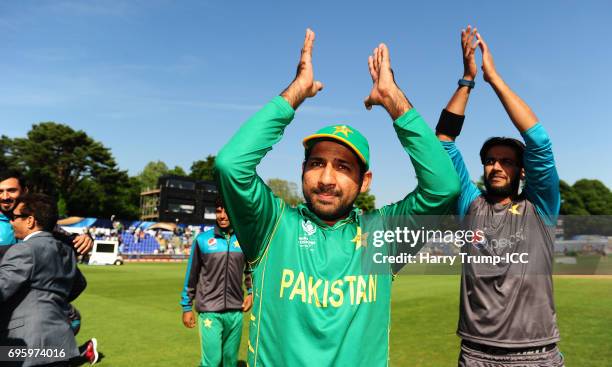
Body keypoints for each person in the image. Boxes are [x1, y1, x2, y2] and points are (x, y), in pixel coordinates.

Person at [215, 29, 460, 366]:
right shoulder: (271, 226)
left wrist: (394, 102)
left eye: (343, 167)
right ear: (302, 171)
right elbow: (230, 165)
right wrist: (295, 94)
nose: (327, 179)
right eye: (317, 163)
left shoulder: (382, 237)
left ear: (365, 181)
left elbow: (444, 187)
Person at [435, 26, 563, 366]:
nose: (496, 167)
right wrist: (467, 80)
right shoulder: (469, 205)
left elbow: (539, 143)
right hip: (476, 354)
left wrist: (494, 80)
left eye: (506, 161)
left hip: (537, 355)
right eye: (490, 160)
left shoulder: (541, 207)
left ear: (522, 171)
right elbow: (443, 142)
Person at [0, 171, 99, 365]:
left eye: (11, 190)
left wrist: (86, 239)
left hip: (23, 324)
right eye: (0, 191)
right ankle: (80, 354)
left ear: (24, 192)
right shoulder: (27, 225)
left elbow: (69, 242)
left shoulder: (36, 224)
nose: (5, 196)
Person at [180, 196, 254, 367]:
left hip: (236, 312)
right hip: (209, 311)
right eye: (218, 211)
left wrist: (251, 292)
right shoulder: (203, 240)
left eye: (226, 210)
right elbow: (191, 275)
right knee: (212, 362)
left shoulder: (244, 240)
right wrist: (186, 307)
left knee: (230, 362)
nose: (222, 215)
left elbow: (250, 270)